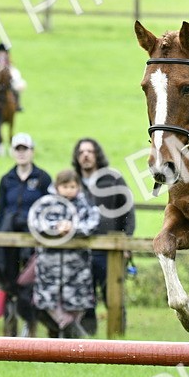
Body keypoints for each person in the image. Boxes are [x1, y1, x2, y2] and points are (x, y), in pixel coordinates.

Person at [0, 132, 51, 337]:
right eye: (17, 149)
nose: (21, 153)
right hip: (8, 237)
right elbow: (1, 211)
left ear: (32, 151)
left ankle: (30, 324)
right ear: (12, 152)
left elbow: (49, 208)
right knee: (8, 281)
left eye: (25, 149)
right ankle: (9, 328)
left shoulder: (42, 178)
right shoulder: (6, 180)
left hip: (33, 237)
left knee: (28, 282)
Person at [72, 138, 135, 335]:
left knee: (113, 297)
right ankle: (88, 342)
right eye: (82, 152)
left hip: (110, 250)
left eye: (90, 151)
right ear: (77, 157)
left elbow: (128, 214)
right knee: (84, 298)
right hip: (81, 250)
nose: (86, 155)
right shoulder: (72, 182)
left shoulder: (113, 179)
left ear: (97, 155)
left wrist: (126, 243)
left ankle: (118, 339)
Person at [29, 168, 101, 338]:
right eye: (65, 186)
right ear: (57, 186)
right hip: (49, 265)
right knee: (49, 302)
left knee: (78, 303)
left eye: (72, 186)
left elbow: (93, 222)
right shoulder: (46, 203)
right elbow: (35, 221)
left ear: (78, 187)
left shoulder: (85, 204)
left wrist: (73, 228)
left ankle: (70, 338)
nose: (69, 190)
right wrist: (56, 227)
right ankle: (69, 331)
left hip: (77, 266)